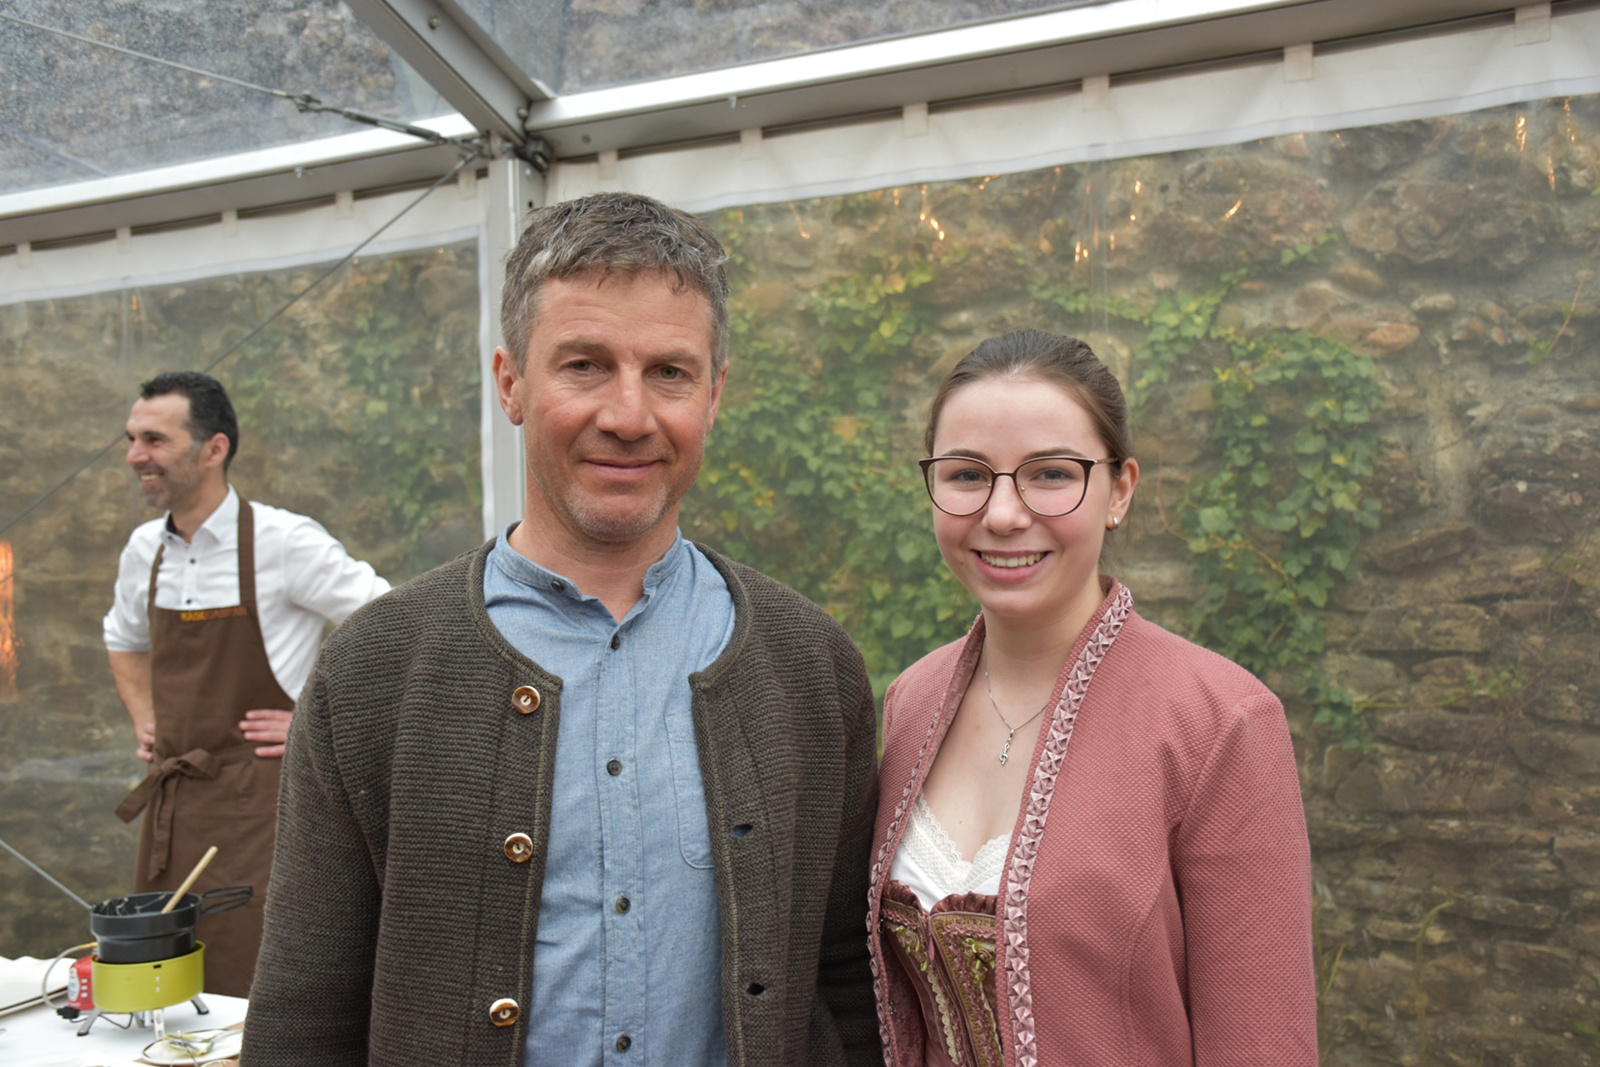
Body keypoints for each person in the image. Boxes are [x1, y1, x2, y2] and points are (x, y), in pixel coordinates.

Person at [242, 193, 882, 1066]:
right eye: (584, 365)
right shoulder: (374, 672)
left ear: (716, 393)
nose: (628, 415)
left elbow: (845, 982)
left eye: (670, 372)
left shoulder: (809, 668)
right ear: (510, 381)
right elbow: (304, 1015)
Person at [867, 331, 1316, 1066]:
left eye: (1050, 474)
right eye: (967, 475)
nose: (1004, 513)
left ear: (1122, 489)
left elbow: (1263, 1043)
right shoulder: (910, 700)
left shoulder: (1219, 721)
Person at [103, 371, 390, 998]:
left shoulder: (284, 542)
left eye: (153, 439)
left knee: (256, 984)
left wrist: (319, 726)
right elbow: (122, 638)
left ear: (214, 449)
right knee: (165, 984)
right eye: (131, 440)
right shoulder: (143, 549)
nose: (134, 457)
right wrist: (144, 720)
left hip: (260, 808)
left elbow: (391, 625)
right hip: (172, 808)